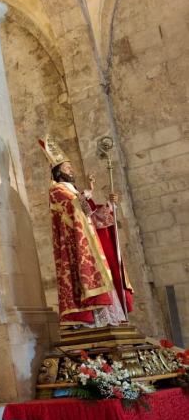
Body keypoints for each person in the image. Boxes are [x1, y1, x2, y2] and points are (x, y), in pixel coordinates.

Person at [39, 135, 133, 328]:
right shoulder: (56, 190)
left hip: (92, 245)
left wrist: (109, 206)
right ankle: (89, 320)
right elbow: (71, 207)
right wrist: (86, 193)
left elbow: (92, 215)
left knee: (102, 277)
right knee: (84, 280)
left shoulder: (73, 191)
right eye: (67, 168)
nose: (71, 170)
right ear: (58, 172)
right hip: (75, 246)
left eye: (71, 167)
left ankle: (107, 320)